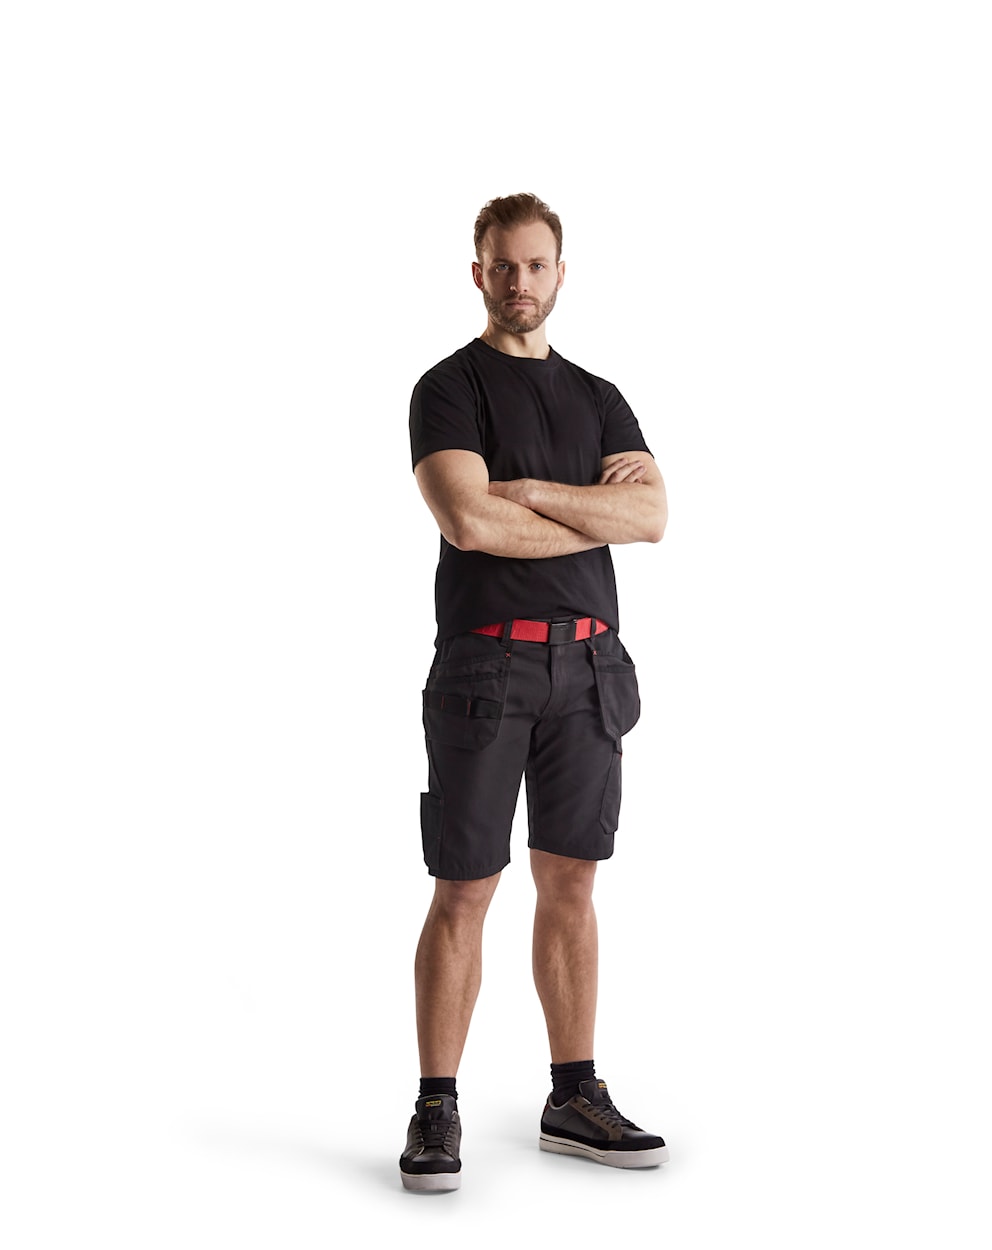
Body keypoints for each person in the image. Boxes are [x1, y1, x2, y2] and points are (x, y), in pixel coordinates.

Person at [400, 193, 669, 1192]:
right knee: (465, 886)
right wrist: (592, 511)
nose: (521, 282)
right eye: (503, 266)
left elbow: (653, 517)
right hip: (486, 668)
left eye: (537, 264)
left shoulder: (600, 397)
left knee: (573, 884)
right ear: (479, 273)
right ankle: (436, 1105)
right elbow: (469, 522)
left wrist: (533, 493)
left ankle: (572, 1095)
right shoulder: (448, 388)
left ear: (561, 272)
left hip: (592, 669)